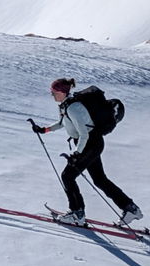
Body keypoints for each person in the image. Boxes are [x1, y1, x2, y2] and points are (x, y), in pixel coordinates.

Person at [33, 77, 142, 226]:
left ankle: (77, 213)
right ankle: (130, 208)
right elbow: (62, 123)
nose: (52, 95)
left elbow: (84, 133)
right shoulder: (66, 106)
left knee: (68, 176)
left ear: (62, 92)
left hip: (90, 143)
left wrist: (77, 154)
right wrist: (44, 129)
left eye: (54, 92)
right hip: (90, 144)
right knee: (99, 179)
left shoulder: (74, 108)